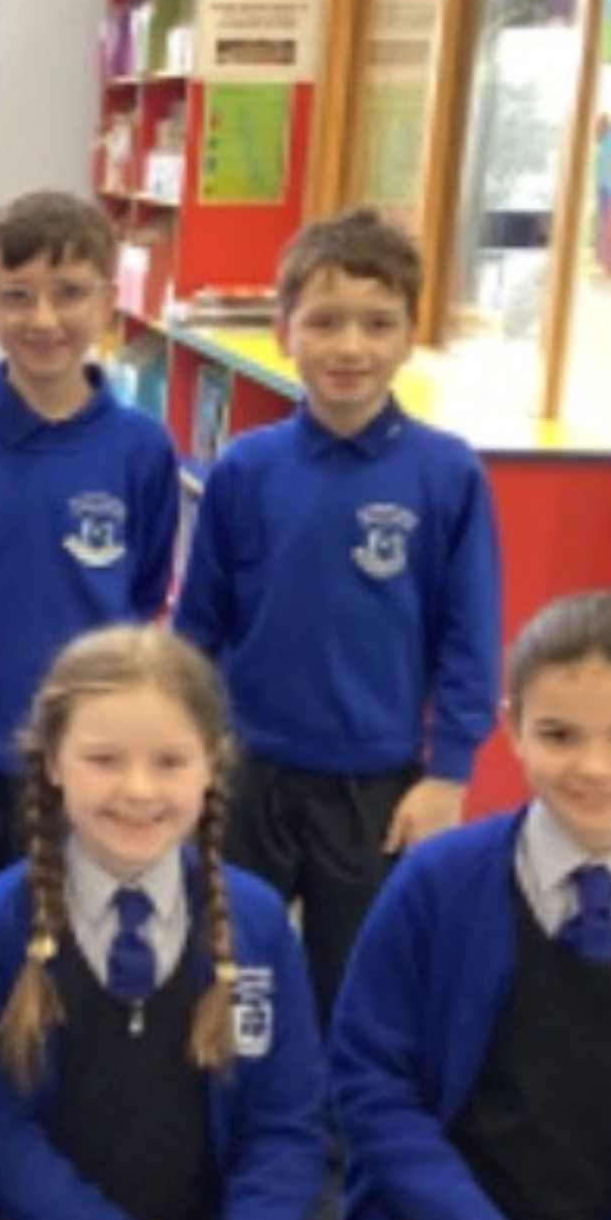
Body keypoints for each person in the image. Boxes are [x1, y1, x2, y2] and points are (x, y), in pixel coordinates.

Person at [174, 207, 503, 1022]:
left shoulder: (445, 474)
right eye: (323, 321)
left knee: (354, 985)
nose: (349, 346)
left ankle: (337, 1109)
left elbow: (468, 638)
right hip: (246, 771)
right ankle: (238, 1096)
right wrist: (186, 749)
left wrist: (447, 776)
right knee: (229, 972)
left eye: (377, 323)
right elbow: (197, 627)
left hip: (376, 786)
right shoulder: (244, 468)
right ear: (284, 331)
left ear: (409, 336)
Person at [331, 591, 611, 1220]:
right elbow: (371, 1079)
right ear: (513, 729)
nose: (594, 767)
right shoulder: (434, 884)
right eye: (558, 735)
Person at [0, 625, 325, 1220]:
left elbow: (284, 1125)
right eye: (104, 760)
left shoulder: (259, 923)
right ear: (53, 762)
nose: (138, 789)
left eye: (170, 762)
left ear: (211, 765)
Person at [0, 190, 180, 904]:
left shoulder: (141, 449)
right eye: (17, 296)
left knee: (65, 934)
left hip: (85, 754)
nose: (44, 319)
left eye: (69, 293)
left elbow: (143, 590)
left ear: (108, 302)